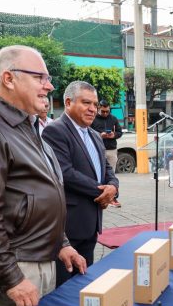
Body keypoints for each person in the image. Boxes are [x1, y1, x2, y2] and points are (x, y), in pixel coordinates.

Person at [0, 45, 87, 306]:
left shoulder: (26, 125)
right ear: (9, 78)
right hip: (14, 267)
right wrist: (11, 278)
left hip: (38, 260)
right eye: (39, 77)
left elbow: (39, 193)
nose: (49, 85)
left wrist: (62, 243)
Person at [42, 81, 119, 287]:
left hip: (91, 222)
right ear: (68, 102)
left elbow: (106, 169)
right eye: (86, 103)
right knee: (65, 289)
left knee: (84, 284)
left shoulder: (94, 135)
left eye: (94, 104)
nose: (93, 109)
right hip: (69, 227)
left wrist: (113, 186)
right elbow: (65, 172)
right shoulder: (55, 131)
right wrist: (103, 190)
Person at [90, 99, 123, 208]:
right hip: (97, 149)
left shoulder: (113, 118)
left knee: (111, 174)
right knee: (97, 173)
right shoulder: (93, 118)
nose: (105, 113)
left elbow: (120, 132)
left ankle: (112, 197)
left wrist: (113, 135)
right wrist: (100, 135)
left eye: (107, 111)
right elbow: (88, 132)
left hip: (111, 149)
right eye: (103, 111)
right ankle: (100, 195)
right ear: (98, 108)